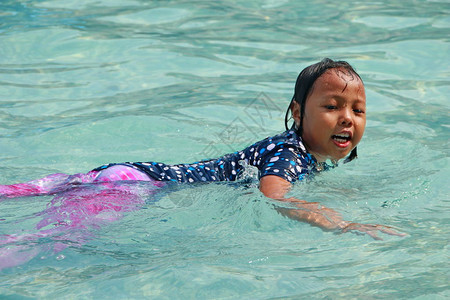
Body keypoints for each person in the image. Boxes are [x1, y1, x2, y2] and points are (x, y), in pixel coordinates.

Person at [0, 58, 404, 241]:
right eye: (331, 107)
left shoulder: (302, 154)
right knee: (42, 242)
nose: (347, 118)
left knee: (21, 193)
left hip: (130, 174)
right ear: (298, 112)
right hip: (133, 187)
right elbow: (274, 195)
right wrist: (341, 224)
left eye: (358, 109)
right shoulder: (289, 153)